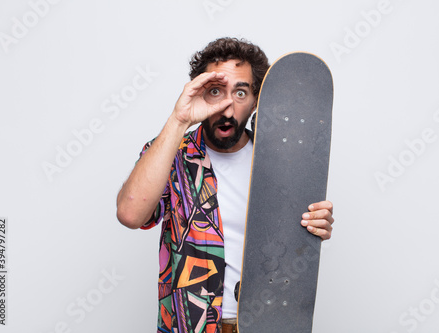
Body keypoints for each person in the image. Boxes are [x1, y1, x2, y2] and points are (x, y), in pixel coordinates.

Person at [116, 37, 334, 333]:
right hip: (192, 325)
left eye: (241, 93)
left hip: (266, 324)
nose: (228, 109)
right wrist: (179, 119)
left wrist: (314, 227)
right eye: (216, 92)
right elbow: (130, 214)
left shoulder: (281, 163)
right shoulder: (172, 155)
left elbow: (291, 245)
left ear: (258, 99)